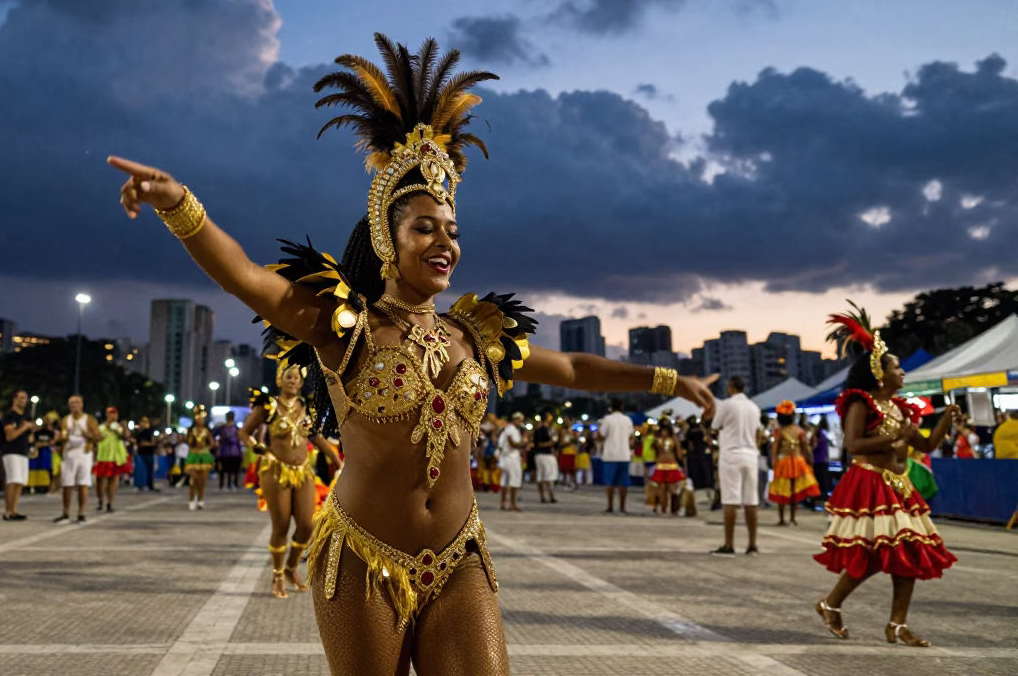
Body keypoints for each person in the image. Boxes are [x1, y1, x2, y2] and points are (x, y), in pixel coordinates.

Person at [107, 33, 715, 674]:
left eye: (452, 229)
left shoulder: (477, 334)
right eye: (424, 227)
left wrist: (667, 379)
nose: (444, 240)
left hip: (460, 556)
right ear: (386, 237)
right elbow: (247, 280)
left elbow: (571, 368)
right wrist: (180, 206)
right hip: (365, 555)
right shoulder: (345, 325)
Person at [814, 307, 958, 647]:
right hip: (870, 482)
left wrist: (946, 419)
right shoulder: (860, 404)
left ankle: (896, 625)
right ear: (880, 372)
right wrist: (892, 438)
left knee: (906, 554)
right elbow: (852, 444)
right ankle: (830, 603)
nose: (902, 371)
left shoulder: (901, 408)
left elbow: (927, 443)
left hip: (900, 485)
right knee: (872, 554)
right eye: (896, 366)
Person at [242, 363, 343, 598]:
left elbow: (316, 437)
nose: (293, 381)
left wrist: (338, 463)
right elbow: (244, 432)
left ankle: (291, 568)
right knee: (281, 525)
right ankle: (277, 575)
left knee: (307, 525)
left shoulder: (306, 406)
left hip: (303, 471)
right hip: (276, 471)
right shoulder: (268, 405)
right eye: (288, 377)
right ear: (279, 379)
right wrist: (259, 448)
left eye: (297, 378)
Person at [708, 375, 762, 556]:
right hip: (750, 455)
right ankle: (752, 545)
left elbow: (715, 426)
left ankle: (729, 544)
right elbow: (758, 432)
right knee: (750, 501)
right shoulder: (754, 407)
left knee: (730, 500)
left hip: (731, 455)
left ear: (731, 387)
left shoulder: (726, 405)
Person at [768, 401, 820, 525]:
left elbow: (775, 448)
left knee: (784, 490)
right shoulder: (798, 431)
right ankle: (791, 518)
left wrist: (774, 461)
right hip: (796, 462)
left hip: (786, 463)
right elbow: (805, 448)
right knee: (792, 492)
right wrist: (810, 459)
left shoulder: (780, 431)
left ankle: (784, 518)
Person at [54, 396, 99, 523]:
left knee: (82, 484)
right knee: (67, 484)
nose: (75, 405)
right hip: (68, 454)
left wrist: (89, 435)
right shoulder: (65, 420)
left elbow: (98, 437)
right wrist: (61, 439)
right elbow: (60, 437)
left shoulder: (89, 419)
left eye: (78, 402)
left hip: (84, 454)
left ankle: (81, 513)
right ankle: (66, 513)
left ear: (82, 405)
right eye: (72, 403)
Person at [0, 389, 34, 521]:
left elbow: (29, 438)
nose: (24, 401)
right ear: (15, 399)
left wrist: (31, 431)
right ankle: (7, 511)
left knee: (20, 481)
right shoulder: (9, 416)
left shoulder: (26, 416)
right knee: (12, 480)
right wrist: (23, 428)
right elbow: (10, 436)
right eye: (21, 398)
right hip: (11, 451)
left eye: (25, 398)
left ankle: (14, 510)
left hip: (23, 452)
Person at [598, 398, 634, 514]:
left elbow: (602, 435)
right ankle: (622, 507)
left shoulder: (607, 419)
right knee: (623, 482)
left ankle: (610, 506)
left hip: (610, 454)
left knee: (610, 482)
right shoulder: (627, 420)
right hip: (624, 454)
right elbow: (630, 435)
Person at [94, 407, 130, 512]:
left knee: (113, 481)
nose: (113, 416)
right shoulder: (101, 427)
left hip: (116, 457)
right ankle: (100, 501)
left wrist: (123, 427)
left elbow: (125, 436)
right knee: (100, 481)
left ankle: (110, 503)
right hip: (103, 457)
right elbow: (95, 439)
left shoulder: (118, 427)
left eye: (115, 414)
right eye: (111, 414)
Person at [649, 421, 686, 516]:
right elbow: (653, 449)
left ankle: (673, 509)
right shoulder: (657, 440)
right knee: (661, 488)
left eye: (666, 430)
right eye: (662, 430)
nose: (664, 433)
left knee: (672, 488)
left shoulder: (674, 439)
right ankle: (663, 509)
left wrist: (681, 461)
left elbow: (678, 453)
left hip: (671, 466)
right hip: (661, 466)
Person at [183, 403, 215, 510]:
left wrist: (206, 447)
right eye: (197, 418)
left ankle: (201, 500)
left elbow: (212, 443)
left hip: (204, 456)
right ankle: (191, 499)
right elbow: (187, 441)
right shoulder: (191, 430)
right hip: (193, 455)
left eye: (201, 418)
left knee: (202, 480)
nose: (199, 420)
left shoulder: (207, 431)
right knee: (193, 480)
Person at [683, 415, 715, 504]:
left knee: (696, 475)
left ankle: (698, 493)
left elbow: (689, 445)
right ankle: (710, 493)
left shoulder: (689, 432)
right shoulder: (701, 430)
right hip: (704, 454)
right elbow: (708, 440)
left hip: (694, 456)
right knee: (707, 473)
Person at [498, 412, 526, 512]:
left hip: (507, 458)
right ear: (516, 419)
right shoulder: (511, 429)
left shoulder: (508, 429)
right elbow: (513, 444)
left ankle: (503, 503)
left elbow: (501, 445)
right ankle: (512, 504)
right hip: (511, 459)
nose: (521, 422)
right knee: (514, 481)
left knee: (505, 481)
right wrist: (524, 442)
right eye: (520, 420)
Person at [532, 413, 558, 504]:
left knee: (542, 476)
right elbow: (539, 444)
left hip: (545, 455)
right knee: (547, 477)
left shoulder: (550, 430)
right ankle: (549, 496)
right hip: (544, 455)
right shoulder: (541, 431)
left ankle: (545, 496)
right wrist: (551, 443)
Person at [216, 411, 244, 491]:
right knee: (223, 469)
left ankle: (233, 484)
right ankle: (222, 485)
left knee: (234, 469)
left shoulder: (236, 428)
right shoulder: (222, 428)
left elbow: (239, 439)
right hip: (225, 451)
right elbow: (218, 437)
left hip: (234, 451)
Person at [135, 416, 161, 492]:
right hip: (141, 453)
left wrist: (152, 444)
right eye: (142, 422)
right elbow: (140, 443)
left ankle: (149, 485)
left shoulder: (149, 431)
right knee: (142, 470)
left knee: (149, 470)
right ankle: (142, 484)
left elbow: (153, 442)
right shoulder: (139, 432)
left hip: (149, 453)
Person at [810, 415, 832, 504]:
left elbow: (814, 447)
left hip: (817, 461)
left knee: (818, 480)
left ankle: (817, 498)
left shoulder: (818, 434)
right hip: (823, 460)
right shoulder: (824, 434)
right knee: (823, 480)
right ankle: (822, 497)